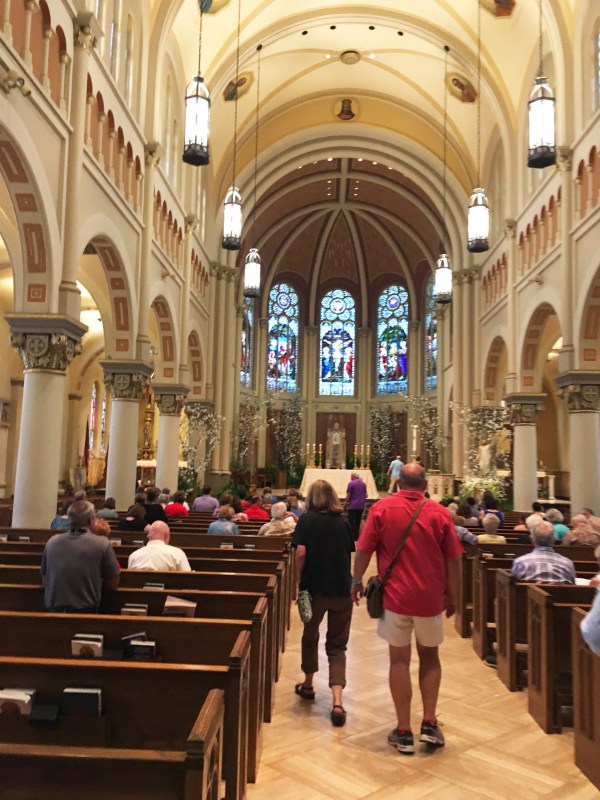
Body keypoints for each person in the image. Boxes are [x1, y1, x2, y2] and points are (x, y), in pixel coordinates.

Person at [352, 463, 462, 755]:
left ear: (398, 483)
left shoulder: (382, 509)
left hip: (395, 598)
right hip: (429, 599)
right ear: (425, 485)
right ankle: (428, 723)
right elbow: (454, 559)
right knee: (431, 656)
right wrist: (454, 595)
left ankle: (403, 731)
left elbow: (363, 549)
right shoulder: (440, 513)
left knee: (398, 660)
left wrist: (356, 580)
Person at [291, 479, 355, 727]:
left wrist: (299, 580)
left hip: (310, 590)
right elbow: (350, 550)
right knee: (338, 644)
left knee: (309, 634)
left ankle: (308, 684)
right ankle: (338, 701)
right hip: (341, 590)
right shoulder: (344, 521)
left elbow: (301, 552)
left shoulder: (306, 520)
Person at [40, 500, 120, 613]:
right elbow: (112, 583)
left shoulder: (52, 542)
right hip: (86, 612)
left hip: (53, 610)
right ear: (91, 520)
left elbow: (45, 578)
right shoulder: (102, 543)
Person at [511, 519, 576, 584]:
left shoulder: (520, 562)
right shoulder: (567, 564)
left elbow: (512, 588)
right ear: (553, 539)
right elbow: (573, 589)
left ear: (532, 539)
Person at [344, 471, 367, 541]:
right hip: (361, 505)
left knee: (351, 521)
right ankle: (356, 536)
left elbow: (348, 495)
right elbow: (365, 495)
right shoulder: (363, 484)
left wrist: (345, 504)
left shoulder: (351, 483)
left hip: (353, 505)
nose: (350, 478)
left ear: (353, 476)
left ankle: (351, 536)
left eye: (351, 476)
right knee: (358, 521)